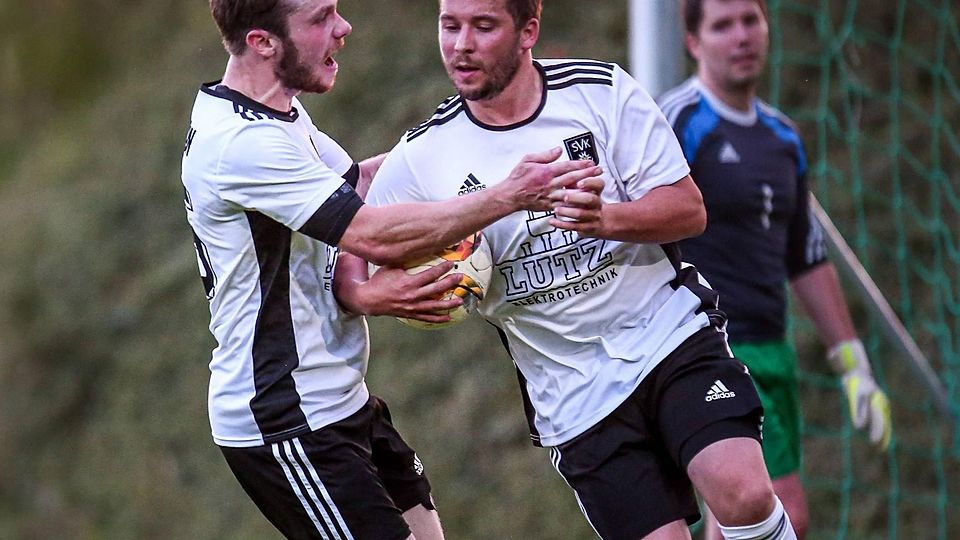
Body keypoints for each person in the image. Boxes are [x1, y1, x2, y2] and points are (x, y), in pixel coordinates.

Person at [334, 1, 799, 538]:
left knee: (743, 494)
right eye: (450, 25)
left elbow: (688, 211)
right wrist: (366, 293)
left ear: (528, 30)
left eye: (483, 27)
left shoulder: (599, 92)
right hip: (572, 395)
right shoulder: (423, 155)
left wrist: (607, 219)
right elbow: (358, 223)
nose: (461, 44)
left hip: (667, 337)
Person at [180, 1, 604, 539]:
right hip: (286, 418)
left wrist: (472, 135)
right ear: (264, 42)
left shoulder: (272, 112)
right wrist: (508, 195)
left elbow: (355, 185)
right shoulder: (241, 144)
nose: (344, 28)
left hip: (339, 397)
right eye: (321, 17)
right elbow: (371, 230)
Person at [657, 1, 893, 538]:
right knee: (777, 513)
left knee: (746, 523)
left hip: (773, 351)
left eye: (750, 20)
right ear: (694, 42)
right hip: (707, 348)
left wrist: (854, 365)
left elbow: (804, 254)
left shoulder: (783, 138)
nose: (741, 36)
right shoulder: (680, 121)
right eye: (722, 25)